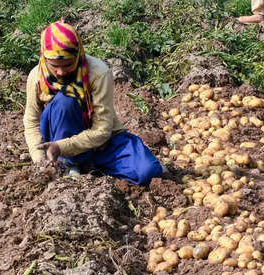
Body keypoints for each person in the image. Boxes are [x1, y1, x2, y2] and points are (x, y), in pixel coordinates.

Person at [23, 20, 163, 186]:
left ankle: (87, 164)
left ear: (78, 53)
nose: (61, 72)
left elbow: (102, 130)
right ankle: (69, 164)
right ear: (44, 58)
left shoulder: (98, 72)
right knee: (65, 101)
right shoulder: (36, 77)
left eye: (68, 64)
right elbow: (31, 121)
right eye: (54, 66)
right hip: (59, 140)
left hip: (100, 143)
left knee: (150, 172)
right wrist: (41, 161)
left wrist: (62, 146)